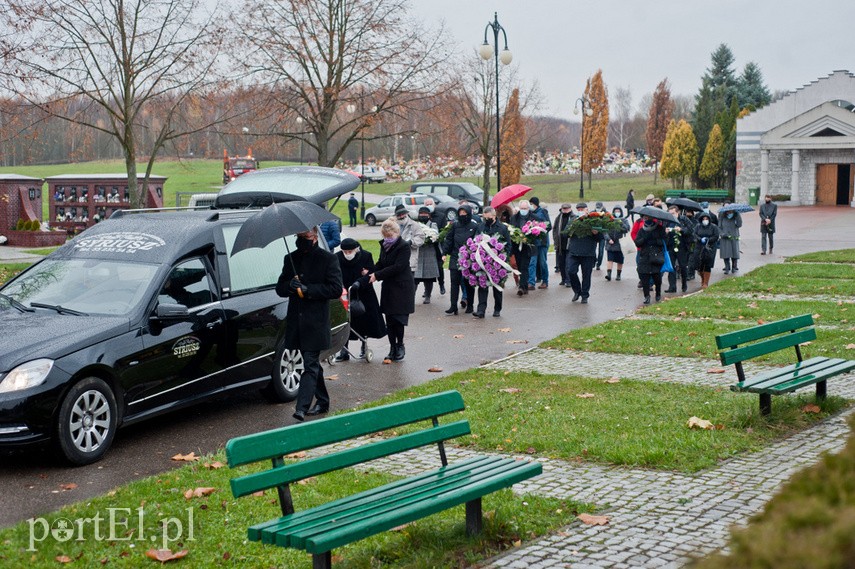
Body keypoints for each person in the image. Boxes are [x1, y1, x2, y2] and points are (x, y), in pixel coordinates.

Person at [275, 227, 343, 421]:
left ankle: (302, 407)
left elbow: (335, 289)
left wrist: (309, 289)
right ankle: (323, 401)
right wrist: (290, 286)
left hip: (316, 322)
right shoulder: (290, 258)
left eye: (305, 237)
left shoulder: (328, 259)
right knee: (311, 363)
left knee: (310, 364)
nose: (301, 240)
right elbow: (279, 288)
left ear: (314, 237)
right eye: (298, 236)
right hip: (297, 320)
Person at [369, 219, 415, 362]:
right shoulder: (384, 245)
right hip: (389, 287)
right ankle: (392, 347)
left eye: (390, 235)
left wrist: (377, 275)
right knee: (389, 320)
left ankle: (400, 345)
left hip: (401, 287)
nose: (388, 238)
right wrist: (370, 271)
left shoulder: (403, 246)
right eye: (385, 236)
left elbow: (398, 267)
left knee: (399, 319)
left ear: (396, 233)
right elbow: (381, 263)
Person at [334, 238, 385, 361]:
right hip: (344, 293)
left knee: (364, 320)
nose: (347, 254)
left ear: (356, 249)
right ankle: (344, 350)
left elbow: (371, 273)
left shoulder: (366, 256)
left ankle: (364, 344)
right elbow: (334, 273)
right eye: (345, 251)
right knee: (344, 321)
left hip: (363, 292)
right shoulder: (336, 257)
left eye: (350, 251)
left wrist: (360, 282)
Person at [441, 204, 479, 314]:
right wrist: (444, 253)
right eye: (461, 213)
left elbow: (477, 241)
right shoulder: (455, 225)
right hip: (455, 256)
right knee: (454, 283)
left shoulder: (474, 226)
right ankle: (453, 306)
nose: (463, 215)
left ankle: (470, 305)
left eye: (465, 213)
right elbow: (449, 239)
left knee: (469, 283)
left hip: (469, 258)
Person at [475, 206, 511, 318]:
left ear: (494, 216)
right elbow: (475, 240)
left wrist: (504, 257)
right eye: (485, 218)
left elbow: (508, 244)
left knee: (497, 287)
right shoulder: (480, 226)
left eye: (488, 217)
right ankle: (481, 310)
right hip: (483, 262)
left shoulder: (502, 228)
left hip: (497, 262)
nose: (486, 220)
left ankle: (497, 309)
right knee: (482, 286)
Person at [565, 202, 601, 304]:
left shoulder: (594, 220)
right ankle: (577, 291)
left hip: (588, 253)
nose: (581, 211)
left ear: (587, 209)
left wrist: (596, 233)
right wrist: (571, 229)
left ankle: (585, 295)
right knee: (571, 271)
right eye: (579, 209)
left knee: (586, 275)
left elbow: (600, 238)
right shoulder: (573, 220)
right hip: (574, 251)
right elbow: (565, 234)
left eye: (582, 209)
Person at [633, 214, 667, 304]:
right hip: (644, 256)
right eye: (645, 218)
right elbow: (637, 243)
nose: (647, 220)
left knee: (657, 277)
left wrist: (655, 239)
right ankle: (646, 296)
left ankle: (658, 293)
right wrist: (645, 238)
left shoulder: (660, 229)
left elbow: (664, 241)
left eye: (648, 218)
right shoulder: (641, 230)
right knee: (644, 277)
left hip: (656, 256)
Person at [414, 206, 440, 303]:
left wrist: (429, 238)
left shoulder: (433, 224)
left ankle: (428, 296)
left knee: (429, 277)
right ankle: (411, 296)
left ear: (429, 215)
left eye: (425, 214)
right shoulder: (415, 224)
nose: (423, 215)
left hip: (429, 253)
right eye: (421, 214)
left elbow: (436, 236)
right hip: (418, 253)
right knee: (415, 277)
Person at [664, 205, 691, 293]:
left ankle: (684, 284)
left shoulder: (684, 219)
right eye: (670, 213)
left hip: (682, 246)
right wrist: (665, 232)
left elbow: (690, 230)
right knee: (671, 267)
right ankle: (672, 287)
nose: (672, 215)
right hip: (670, 246)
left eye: (673, 213)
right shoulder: (667, 221)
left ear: (678, 212)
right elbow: (662, 232)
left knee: (683, 266)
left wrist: (681, 229)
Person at [509, 200, 534, 297]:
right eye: (522, 208)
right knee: (519, 266)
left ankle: (522, 287)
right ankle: (524, 286)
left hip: (527, 247)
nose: (523, 210)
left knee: (524, 266)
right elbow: (510, 230)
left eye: (525, 208)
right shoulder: (514, 218)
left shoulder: (533, 218)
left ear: (528, 208)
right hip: (517, 246)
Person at [423, 198, 446, 294]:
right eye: (426, 204)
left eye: (430, 204)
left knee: (439, 267)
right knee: (426, 268)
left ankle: (441, 284)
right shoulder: (422, 215)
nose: (428, 205)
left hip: (437, 246)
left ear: (434, 205)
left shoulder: (441, 216)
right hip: (426, 247)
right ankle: (427, 290)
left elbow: (444, 232)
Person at [692, 211, 720, 289]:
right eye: (703, 219)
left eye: (706, 218)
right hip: (699, 247)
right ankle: (702, 278)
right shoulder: (698, 226)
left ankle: (706, 283)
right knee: (699, 265)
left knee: (707, 265)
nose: (705, 220)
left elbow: (716, 236)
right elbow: (694, 234)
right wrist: (700, 239)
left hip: (710, 248)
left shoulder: (714, 227)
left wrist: (708, 239)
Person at [394, 204, 425, 274]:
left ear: (407, 213)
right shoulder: (393, 225)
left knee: (409, 284)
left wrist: (411, 242)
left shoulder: (414, 225)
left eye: (403, 214)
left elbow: (421, 238)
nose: (401, 216)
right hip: (395, 261)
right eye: (399, 215)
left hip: (410, 259)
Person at [527, 197, 551, 288]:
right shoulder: (530, 213)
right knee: (532, 262)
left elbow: (548, 225)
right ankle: (531, 282)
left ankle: (545, 281)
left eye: (531, 204)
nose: (530, 206)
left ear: (535, 204)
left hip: (542, 242)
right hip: (533, 242)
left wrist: (539, 229)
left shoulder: (543, 212)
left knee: (542, 262)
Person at [604, 206, 629, 282]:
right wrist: (608, 239)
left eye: (618, 211)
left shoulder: (624, 220)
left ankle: (618, 274)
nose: (617, 212)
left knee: (620, 260)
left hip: (620, 243)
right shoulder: (609, 219)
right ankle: (609, 274)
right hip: (611, 243)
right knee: (610, 259)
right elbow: (605, 231)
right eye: (616, 211)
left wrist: (621, 223)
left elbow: (626, 229)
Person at [552, 203, 574, 286]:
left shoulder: (573, 217)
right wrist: (555, 240)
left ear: (570, 209)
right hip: (560, 245)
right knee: (561, 263)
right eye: (564, 209)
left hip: (569, 244)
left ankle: (568, 280)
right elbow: (554, 229)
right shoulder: (559, 217)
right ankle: (563, 279)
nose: (565, 210)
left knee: (568, 264)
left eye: (567, 208)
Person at [719, 208, 742, 274]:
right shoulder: (722, 216)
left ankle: (734, 267)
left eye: (731, 211)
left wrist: (738, 215)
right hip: (725, 237)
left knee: (734, 253)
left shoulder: (736, 216)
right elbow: (719, 227)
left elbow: (739, 224)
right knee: (725, 253)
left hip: (734, 237)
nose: (729, 212)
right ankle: (727, 267)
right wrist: (723, 234)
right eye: (728, 211)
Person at [594, 201, 607, 270]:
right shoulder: (592, 213)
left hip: (602, 235)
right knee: (593, 251)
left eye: (599, 208)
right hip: (594, 235)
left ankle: (598, 264)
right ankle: (594, 260)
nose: (598, 209)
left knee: (601, 252)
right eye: (597, 207)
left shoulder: (606, 214)